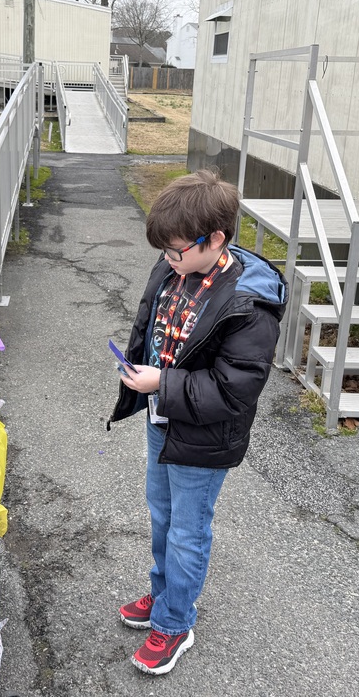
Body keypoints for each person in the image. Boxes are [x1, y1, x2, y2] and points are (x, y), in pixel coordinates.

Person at [108, 170, 287, 675]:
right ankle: (165, 595)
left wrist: (160, 383)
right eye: (163, 250)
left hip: (204, 436)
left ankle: (176, 622)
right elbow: (153, 325)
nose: (167, 258)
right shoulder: (175, 269)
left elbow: (234, 390)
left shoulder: (249, 304)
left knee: (187, 530)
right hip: (162, 418)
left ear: (216, 239)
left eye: (176, 250)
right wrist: (143, 375)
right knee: (162, 517)